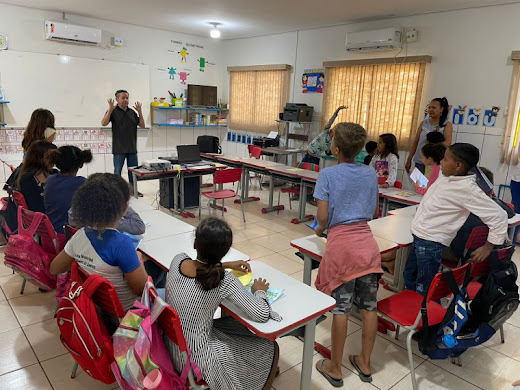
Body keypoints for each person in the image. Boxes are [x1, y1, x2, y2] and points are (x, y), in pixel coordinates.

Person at [165, 217, 280, 390]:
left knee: (235, 327)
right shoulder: (223, 280)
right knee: (270, 347)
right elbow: (261, 313)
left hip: (172, 346)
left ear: (195, 243)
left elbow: (200, 268)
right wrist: (259, 290)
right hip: (197, 360)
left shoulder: (178, 260)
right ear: (224, 251)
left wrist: (224, 265)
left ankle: (256, 373)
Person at [313, 122, 382, 386]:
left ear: (336, 148)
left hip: (342, 247)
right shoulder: (370, 174)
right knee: (368, 307)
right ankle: (364, 361)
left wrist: (320, 230)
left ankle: (335, 367)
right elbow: (373, 210)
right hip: (367, 246)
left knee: (340, 310)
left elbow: (322, 216)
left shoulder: (328, 175)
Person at [404, 143, 508, 296]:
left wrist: (487, 247)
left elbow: (499, 216)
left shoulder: (467, 189)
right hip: (419, 236)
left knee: (425, 286)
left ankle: (427, 316)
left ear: (458, 165)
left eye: (445, 159)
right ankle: (415, 308)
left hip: (431, 243)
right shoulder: (447, 175)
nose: (441, 163)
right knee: (409, 275)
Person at [50, 173, 148, 311]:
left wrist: (86, 263)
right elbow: (141, 290)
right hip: (126, 317)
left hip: (96, 308)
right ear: (125, 208)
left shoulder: (79, 235)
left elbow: (55, 268)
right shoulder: (122, 244)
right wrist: (139, 260)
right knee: (158, 274)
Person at [443, 167, 515, 263]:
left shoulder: (465, 211)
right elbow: (511, 213)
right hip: (484, 258)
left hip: (460, 255)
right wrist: (492, 198)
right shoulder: (496, 207)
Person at [101, 89, 145, 196]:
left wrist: (140, 112)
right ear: (117, 99)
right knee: (117, 172)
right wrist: (110, 110)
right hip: (119, 148)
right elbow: (104, 123)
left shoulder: (132, 112)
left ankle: (133, 190)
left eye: (127, 98)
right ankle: (117, 192)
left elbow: (142, 125)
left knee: (133, 171)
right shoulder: (113, 111)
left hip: (132, 147)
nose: (125, 100)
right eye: (123, 98)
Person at [44, 146, 93, 235]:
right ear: (81, 164)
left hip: (51, 233)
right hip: (68, 236)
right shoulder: (82, 183)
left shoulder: (50, 179)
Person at [405, 97, 453, 173]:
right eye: (429, 107)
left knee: (430, 184)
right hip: (420, 160)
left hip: (435, 161)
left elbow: (447, 143)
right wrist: (409, 159)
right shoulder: (423, 123)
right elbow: (416, 142)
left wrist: (430, 146)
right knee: (418, 183)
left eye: (433, 107)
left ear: (441, 109)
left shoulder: (447, 124)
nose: (430, 110)